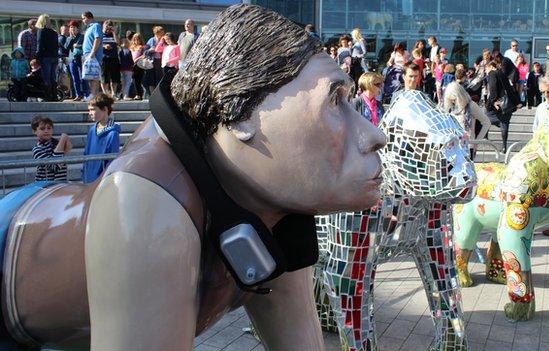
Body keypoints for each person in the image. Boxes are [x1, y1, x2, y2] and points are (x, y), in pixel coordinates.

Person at [0, 5, 387, 350]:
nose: (375, 135)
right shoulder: (146, 197)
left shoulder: (272, 197)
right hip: (13, 255)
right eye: (334, 102)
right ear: (238, 116)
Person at [444, 80, 491, 159]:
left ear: (460, 96)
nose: (453, 101)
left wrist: (477, 141)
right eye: (451, 100)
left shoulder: (471, 105)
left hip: (468, 147)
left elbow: (486, 122)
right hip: (453, 147)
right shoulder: (450, 107)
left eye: (454, 99)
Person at [82, 93, 120, 183]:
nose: (90, 113)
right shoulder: (92, 130)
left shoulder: (113, 133)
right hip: (88, 180)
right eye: (89, 110)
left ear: (105, 109)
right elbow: (86, 154)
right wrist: (84, 175)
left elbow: (112, 161)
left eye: (93, 110)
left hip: (102, 182)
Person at [485, 60, 518, 153]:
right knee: (504, 124)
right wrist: (516, 102)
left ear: (491, 66)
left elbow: (493, 89)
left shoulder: (492, 73)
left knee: (485, 117)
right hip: (507, 104)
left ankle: (485, 138)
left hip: (498, 104)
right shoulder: (502, 73)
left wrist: (492, 102)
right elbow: (509, 88)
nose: (485, 71)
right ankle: (504, 146)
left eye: (486, 69)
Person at [31, 115, 71, 182]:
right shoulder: (37, 150)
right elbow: (55, 166)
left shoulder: (56, 144)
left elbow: (62, 160)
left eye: (49, 128)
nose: (46, 131)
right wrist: (63, 139)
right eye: (42, 129)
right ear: (35, 131)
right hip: (45, 186)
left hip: (60, 183)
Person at [35, 14, 59, 100]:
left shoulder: (41, 31)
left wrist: (37, 57)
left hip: (46, 57)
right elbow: (57, 45)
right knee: (53, 77)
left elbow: (40, 45)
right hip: (54, 57)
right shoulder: (54, 32)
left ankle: (48, 96)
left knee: (46, 77)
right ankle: (54, 96)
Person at [81, 11, 104, 100]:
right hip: (87, 54)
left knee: (94, 75)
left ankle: (93, 95)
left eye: (84, 18)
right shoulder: (88, 28)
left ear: (89, 17)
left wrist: (93, 52)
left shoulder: (96, 26)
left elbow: (97, 39)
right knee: (90, 76)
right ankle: (93, 94)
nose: (83, 20)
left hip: (93, 55)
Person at [66, 20, 86, 101]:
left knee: (82, 77)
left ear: (78, 28)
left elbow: (85, 46)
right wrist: (71, 38)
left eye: (74, 27)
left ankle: (85, 94)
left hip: (80, 58)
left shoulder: (82, 36)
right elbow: (66, 47)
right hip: (72, 59)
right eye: (71, 27)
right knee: (74, 78)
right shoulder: (69, 38)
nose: (72, 29)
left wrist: (78, 45)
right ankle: (78, 95)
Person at [100, 20, 121, 98]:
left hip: (114, 58)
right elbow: (96, 45)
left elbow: (118, 43)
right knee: (104, 78)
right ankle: (105, 94)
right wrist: (104, 46)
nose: (107, 30)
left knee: (114, 78)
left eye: (109, 28)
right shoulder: (100, 35)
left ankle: (113, 93)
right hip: (104, 59)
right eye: (106, 28)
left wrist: (114, 32)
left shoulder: (113, 35)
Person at [144, 26, 165, 93]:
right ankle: (152, 94)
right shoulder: (151, 40)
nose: (162, 34)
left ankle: (159, 94)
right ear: (156, 33)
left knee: (160, 78)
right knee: (151, 78)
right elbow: (145, 52)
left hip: (161, 62)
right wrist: (150, 50)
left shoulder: (164, 41)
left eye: (162, 33)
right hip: (152, 61)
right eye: (161, 33)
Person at [129, 33, 145, 100]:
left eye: (138, 39)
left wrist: (137, 59)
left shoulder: (142, 47)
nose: (136, 41)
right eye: (135, 39)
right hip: (132, 65)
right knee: (134, 80)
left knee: (138, 80)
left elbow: (144, 55)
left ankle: (139, 94)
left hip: (139, 65)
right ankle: (137, 94)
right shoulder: (131, 47)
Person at [57, 24, 70, 98]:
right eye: (65, 30)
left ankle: (64, 91)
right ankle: (65, 91)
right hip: (63, 59)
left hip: (62, 59)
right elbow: (65, 49)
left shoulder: (63, 38)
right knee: (64, 76)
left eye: (67, 30)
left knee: (63, 77)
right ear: (61, 30)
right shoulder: (62, 38)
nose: (67, 31)